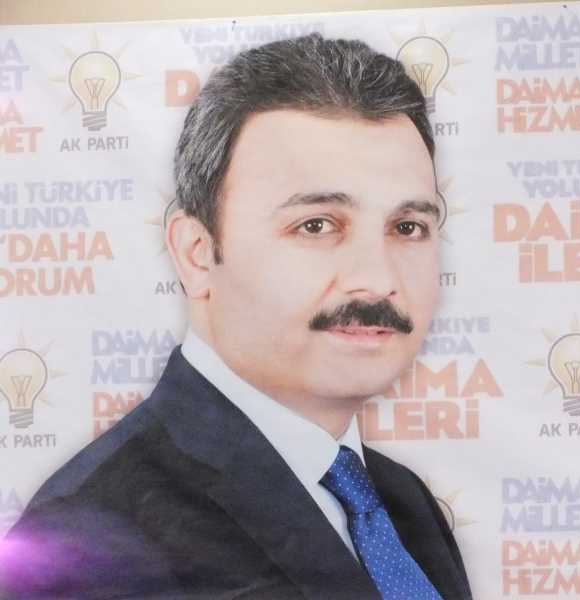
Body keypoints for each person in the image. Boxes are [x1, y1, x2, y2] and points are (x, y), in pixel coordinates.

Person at [0, 33, 471, 600]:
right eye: (317, 225)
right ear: (197, 253)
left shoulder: (402, 501)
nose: (377, 278)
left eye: (408, 227)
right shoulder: (86, 544)